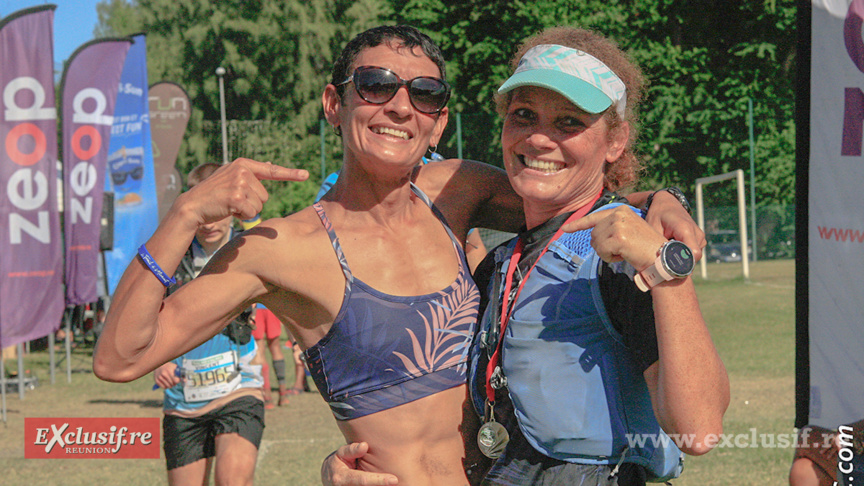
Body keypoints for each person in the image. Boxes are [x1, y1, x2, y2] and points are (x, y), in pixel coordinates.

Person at [94, 25, 701, 485]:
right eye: (376, 85)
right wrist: (181, 217)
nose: (400, 105)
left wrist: (661, 201)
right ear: (336, 103)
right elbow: (123, 357)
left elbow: (567, 188)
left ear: (438, 122)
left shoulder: (458, 191)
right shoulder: (280, 249)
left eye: (426, 93)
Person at [321, 27, 728, 486]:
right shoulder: (499, 265)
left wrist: (667, 272)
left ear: (615, 142)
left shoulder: (618, 259)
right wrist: (351, 467)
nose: (538, 139)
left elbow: (700, 430)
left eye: (569, 123)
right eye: (523, 115)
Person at [151, 163, 266, 486]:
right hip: (183, 399)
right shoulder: (171, 256)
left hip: (238, 389)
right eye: (206, 212)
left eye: (220, 212)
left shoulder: (251, 247)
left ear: (231, 208)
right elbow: (146, 317)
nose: (211, 224)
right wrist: (157, 362)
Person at [251, 303, 290, 408]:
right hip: (271, 306)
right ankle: (283, 395)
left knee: (259, 350)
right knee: (275, 348)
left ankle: (267, 398)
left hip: (256, 308)